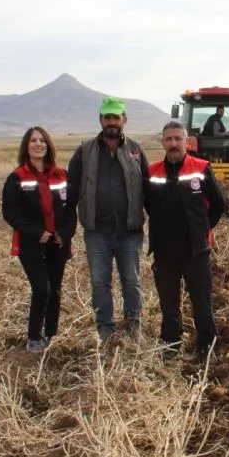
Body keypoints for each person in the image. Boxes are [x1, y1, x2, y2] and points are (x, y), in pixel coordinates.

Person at [67, 97, 149, 343]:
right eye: (107, 117)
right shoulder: (84, 152)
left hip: (129, 230)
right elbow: (71, 190)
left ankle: (134, 327)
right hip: (97, 231)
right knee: (100, 282)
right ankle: (105, 329)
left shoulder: (136, 151)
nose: (112, 122)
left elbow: (148, 189)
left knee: (132, 281)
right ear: (101, 119)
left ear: (124, 120)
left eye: (116, 117)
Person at [145, 121, 226, 362]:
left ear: (186, 142)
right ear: (163, 142)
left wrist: (202, 229)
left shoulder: (201, 168)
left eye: (177, 139)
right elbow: (148, 204)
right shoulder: (152, 172)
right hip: (164, 251)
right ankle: (171, 345)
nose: (173, 144)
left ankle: (206, 347)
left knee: (201, 302)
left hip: (196, 251)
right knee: (169, 304)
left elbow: (218, 204)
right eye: (168, 139)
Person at [1, 126, 75, 353]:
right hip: (31, 246)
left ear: (48, 145)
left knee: (55, 291)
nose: (38, 144)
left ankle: (51, 333)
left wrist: (64, 234)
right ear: (26, 146)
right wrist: (35, 232)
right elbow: (10, 213)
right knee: (42, 289)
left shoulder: (62, 175)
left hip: (58, 244)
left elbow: (71, 210)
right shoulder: (17, 178)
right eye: (33, 140)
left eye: (42, 140)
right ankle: (34, 336)